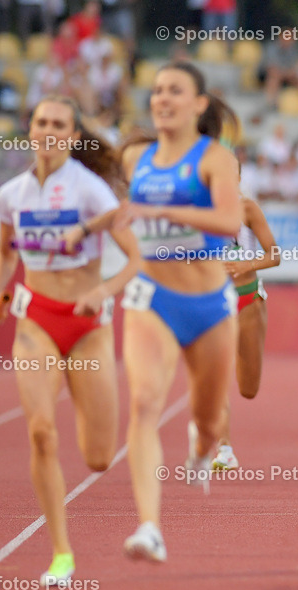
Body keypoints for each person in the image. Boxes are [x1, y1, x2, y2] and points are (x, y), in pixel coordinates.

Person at [0, 95, 141, 585]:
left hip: (88, 328)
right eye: (41, 122)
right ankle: (61, 554)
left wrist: (103, 290)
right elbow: (5, 252)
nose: (48, 130)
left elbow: (135, 260)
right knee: (41, 433)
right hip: (36, 324)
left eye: (59, 124)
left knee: (98, 457)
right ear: (31, 130)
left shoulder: (91, 191)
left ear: (73, 137)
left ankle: (79, 387)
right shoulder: (11, 194)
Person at [112, 62, 243, 561]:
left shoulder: (215, 159)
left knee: (210, 422)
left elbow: (230, 221)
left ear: (198, 103)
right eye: (157, 91)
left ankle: (202, 443)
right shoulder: (135, 159)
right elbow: (123, 214)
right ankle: (150, 527)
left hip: (209, 305)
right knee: (144, 402)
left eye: (175, 91)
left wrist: (161, 212)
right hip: (153, 300)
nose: (163, 99)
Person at [210, 191, 281, 470]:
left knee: (248, 388)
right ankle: (224, 448)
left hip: (247, 298)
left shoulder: (247, 208)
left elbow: (274, 255)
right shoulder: (195, 209)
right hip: (212, 303)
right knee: (215, 376)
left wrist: (246, 264)